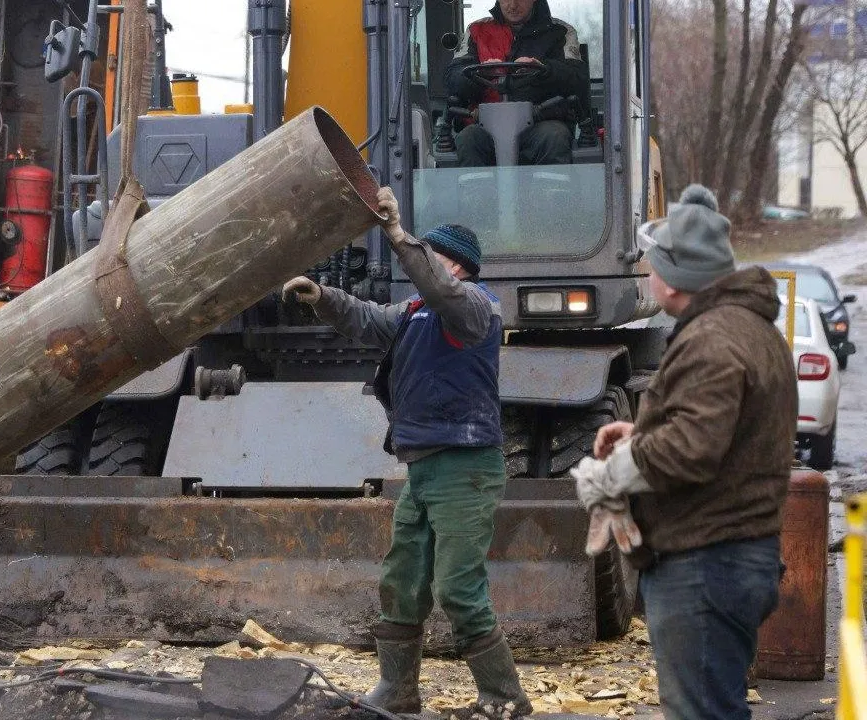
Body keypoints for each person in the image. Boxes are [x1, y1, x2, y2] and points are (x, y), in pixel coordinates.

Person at [283, 188, 531, 718]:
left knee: (458, 588)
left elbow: (439, 289)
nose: (419, 266)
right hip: (423, 468)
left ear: (454, 267)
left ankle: (504, 698)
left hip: (465, 467)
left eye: (430, 257)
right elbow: (368, 319)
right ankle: (398, 690)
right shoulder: (417, 313)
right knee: (402, 582)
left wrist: (397, 234)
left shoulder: (475, 307)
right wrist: (321, 296)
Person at [571, 185, 797, 720]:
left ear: (673, 280)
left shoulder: (714, 340)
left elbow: (691, 450)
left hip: (705, 565)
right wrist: (645, 432)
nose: (649, 272)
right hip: (727, 558)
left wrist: (614, 474)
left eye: (654, 264)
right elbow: (726, 435)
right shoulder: (745, 329)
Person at [444, 0, 589, 167]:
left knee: (554, 137)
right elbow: (453, 79)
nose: (512, 5)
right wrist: (481, 74)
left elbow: (578, 79)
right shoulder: (477, 31)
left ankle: (550, 185)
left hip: (541, 121)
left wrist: (545, 70)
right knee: (468, 139)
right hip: (486, 124)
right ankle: (477, 186)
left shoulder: (560, 32)